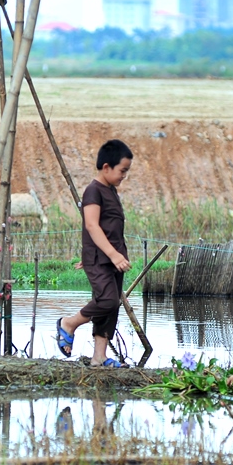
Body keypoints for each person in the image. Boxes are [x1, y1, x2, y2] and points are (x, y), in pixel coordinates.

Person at [56, 139, 133, 368]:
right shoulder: (93, 191)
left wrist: (114, 255)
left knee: (111, 305)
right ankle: (69, 323)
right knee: (107, 301)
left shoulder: (110, 191)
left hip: (110, 258)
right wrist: (111, 254)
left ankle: (98, 357)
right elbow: (92, 225)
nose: (124, 176)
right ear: (107, 167)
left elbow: (107, 227)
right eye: (122, 171)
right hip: (104, 258)